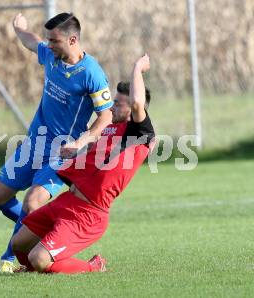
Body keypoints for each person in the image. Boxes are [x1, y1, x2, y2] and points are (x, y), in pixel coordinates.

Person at [0, 12, 113, 272]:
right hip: (34, 145)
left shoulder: (92, 73)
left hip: (63, 153)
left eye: (54, 40)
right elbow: (31, 42)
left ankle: (11, 257)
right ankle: (41, 234)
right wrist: (19, 29)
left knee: (33, 200)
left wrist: (81, 143)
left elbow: (106, 117)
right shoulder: (51, 56)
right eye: (49, 40)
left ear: (72, 40)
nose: (49, 45)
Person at [11, 54, 155, 274]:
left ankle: (92, 266)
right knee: (18, 243)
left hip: (88, 214)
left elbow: (137, 102)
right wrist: (77, 150)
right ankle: (34, 270)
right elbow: (96, 152)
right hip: (67, 201)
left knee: (39, 258)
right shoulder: (110, 129)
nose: (111, 107)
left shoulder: (139, 132)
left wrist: (137, 68)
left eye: (117, 103)